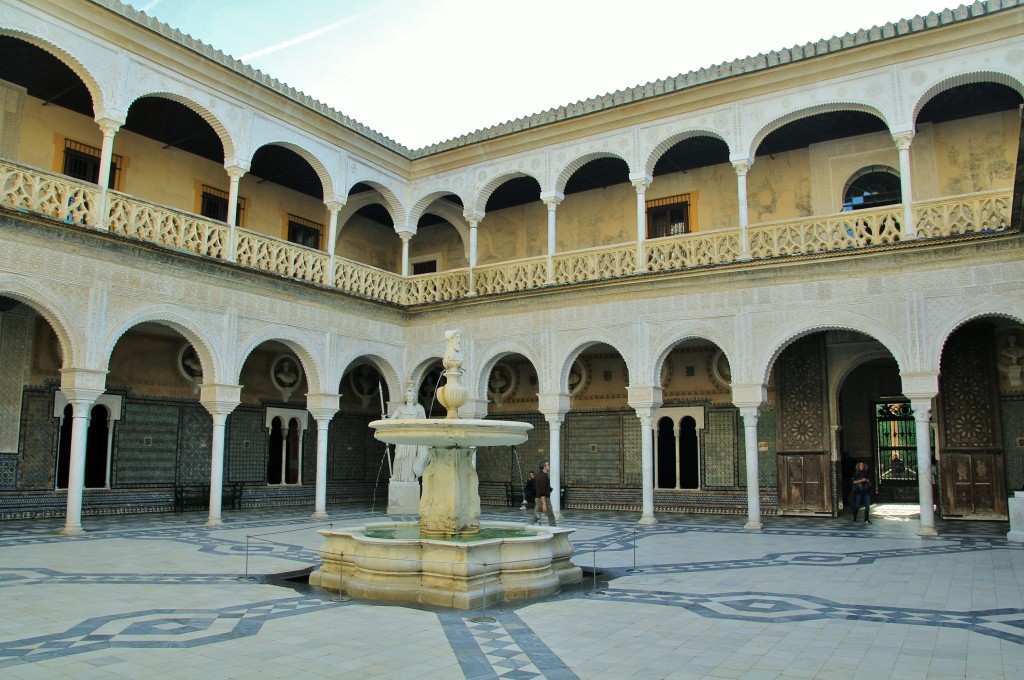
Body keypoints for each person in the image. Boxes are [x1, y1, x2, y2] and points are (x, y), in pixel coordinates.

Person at [389, 383, 430, 482]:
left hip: (413, 437)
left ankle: (411, 478)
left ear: (414, 397)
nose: (410, 398)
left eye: (412, 396)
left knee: (411, 459)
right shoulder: (400, 409)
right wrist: (385, 420)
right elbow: (391, 420)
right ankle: (396, 476)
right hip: (402, 437)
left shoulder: (419, 409)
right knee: (399, 456)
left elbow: (425, 423)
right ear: (405, 397)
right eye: (408, 396)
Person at [528, 460, 556, 526]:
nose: (549, 466)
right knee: (550, 516)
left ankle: (529, 527)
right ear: (544, 466)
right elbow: (542, 491)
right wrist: (544, 504)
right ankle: (554, 530)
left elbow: (538, 487)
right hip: (543, 499)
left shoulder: (538, 475)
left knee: (536, 516)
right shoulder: (543, 477)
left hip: (538, 498)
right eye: (548, 465)